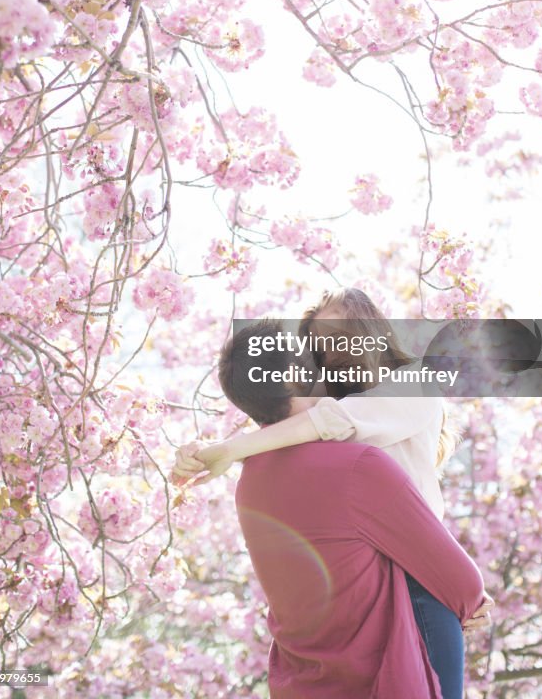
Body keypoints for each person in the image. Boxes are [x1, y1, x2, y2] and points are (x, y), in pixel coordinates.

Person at [174, 289, 493, 699]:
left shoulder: (409, 387)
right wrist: (202, 451)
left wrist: (230, 448)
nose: (333, 349)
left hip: (421, 575)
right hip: (383, 577)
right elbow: (286, 420)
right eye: (321, 342)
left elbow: (314, 422)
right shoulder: (332, 418)